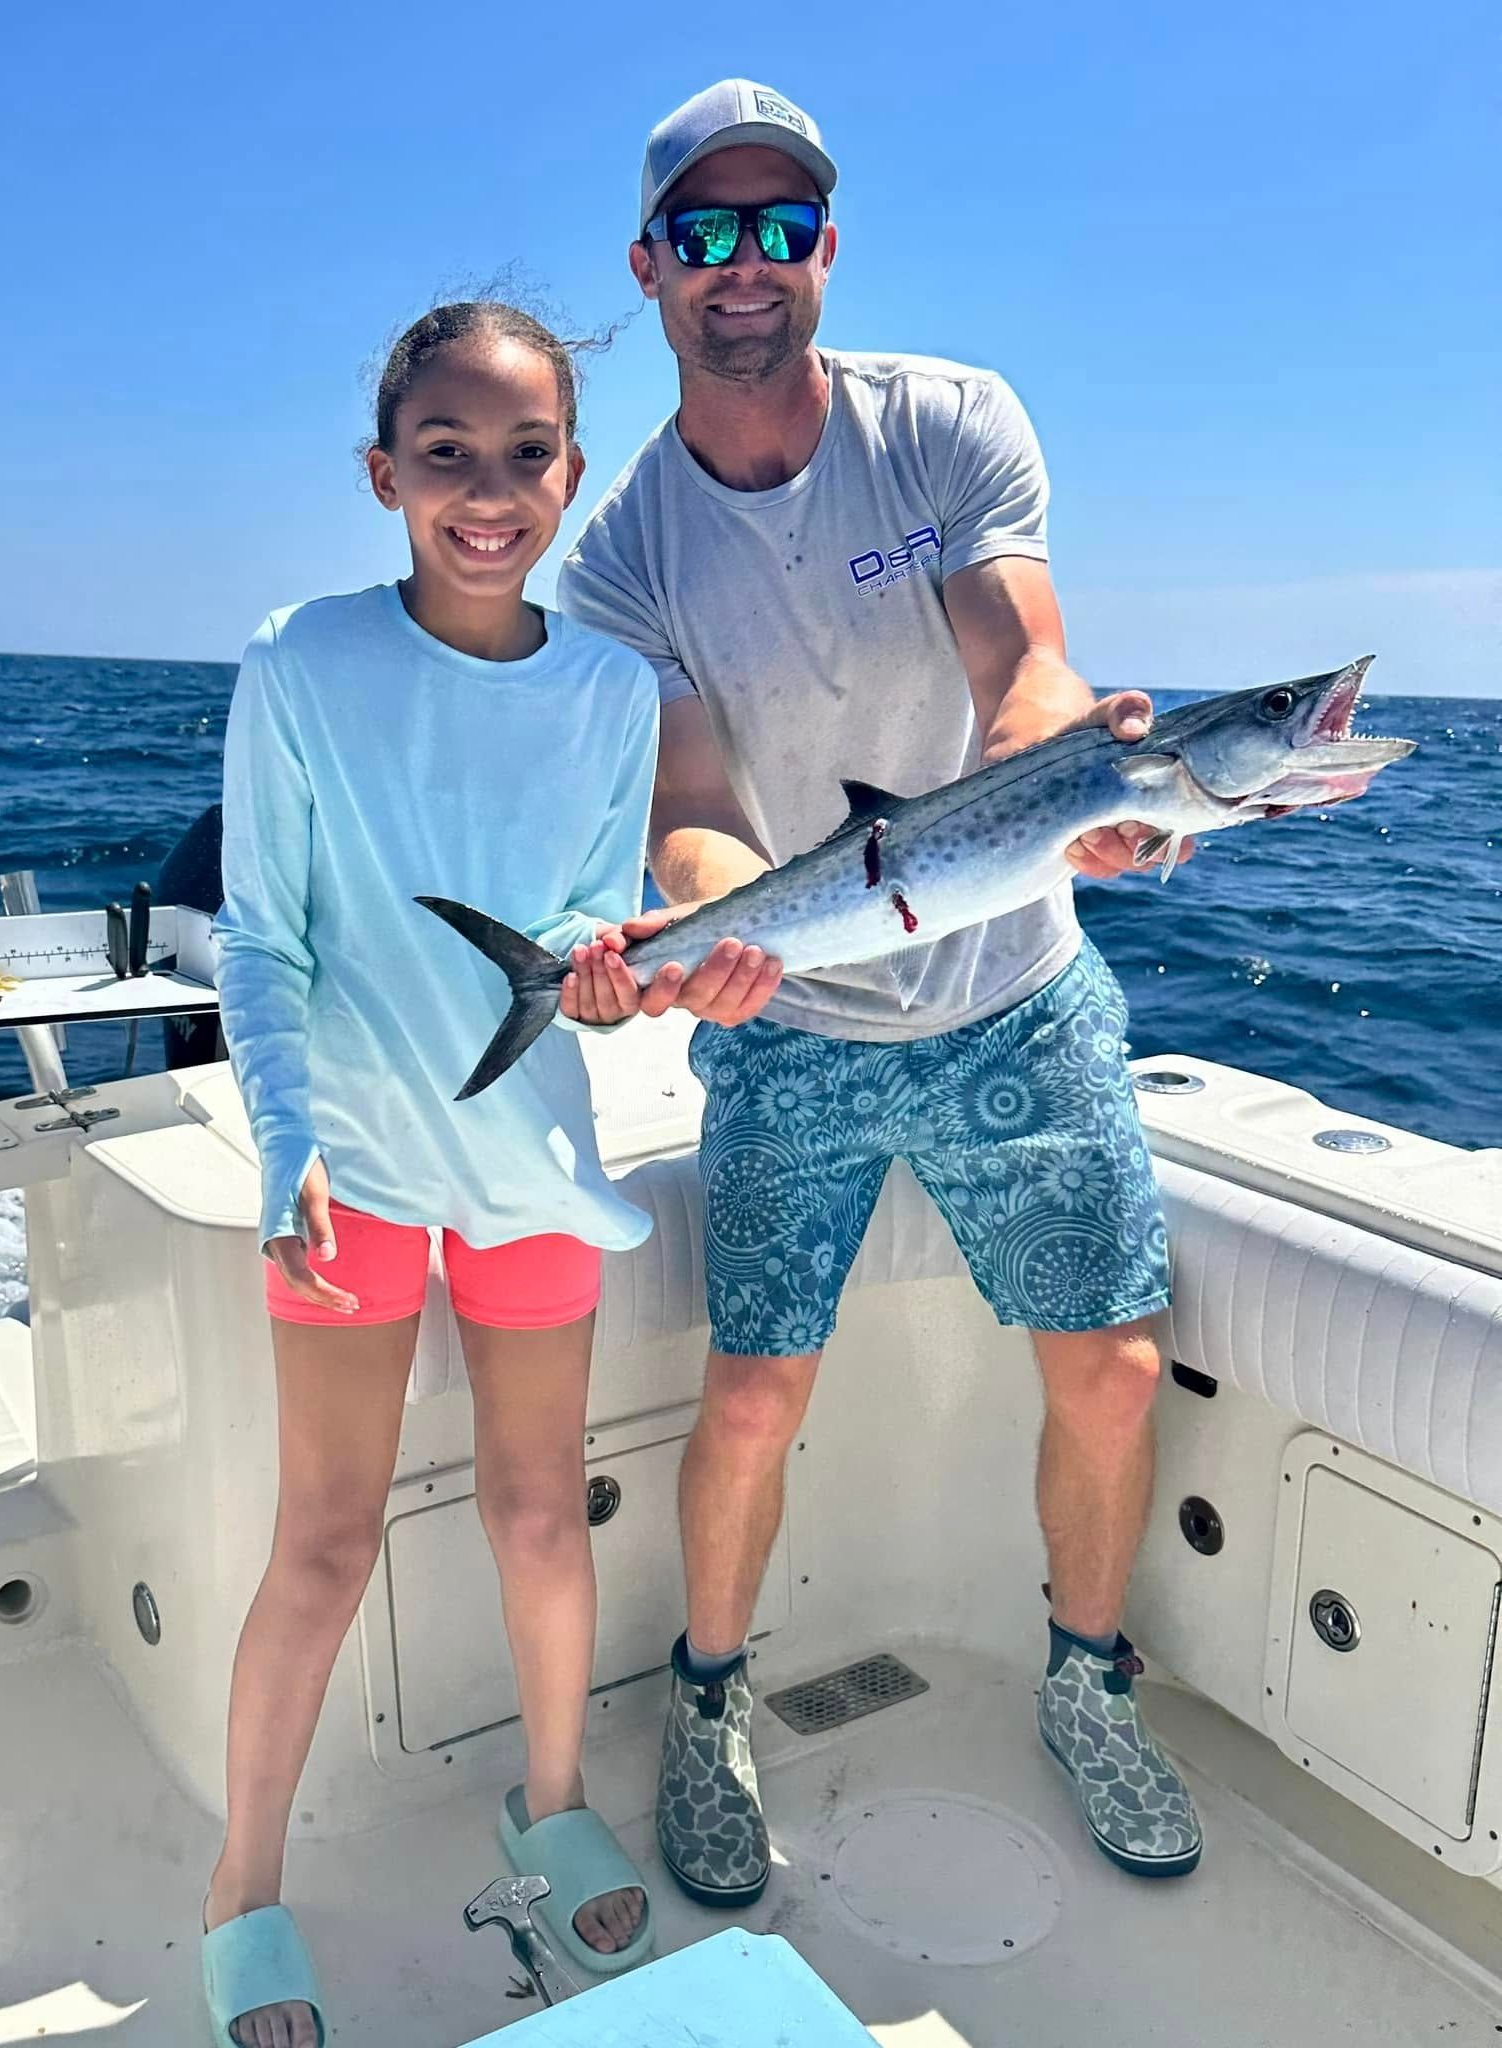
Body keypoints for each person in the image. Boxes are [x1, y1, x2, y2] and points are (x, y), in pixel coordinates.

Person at [557, 79, 1204, 1905]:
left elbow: (1031, 666)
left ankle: (1088, 1686)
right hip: (803, 1017)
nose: (744, 264)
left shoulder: (949, 424)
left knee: (1113, 1368)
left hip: (1019, 993)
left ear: (825, 250)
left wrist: (1073, 788)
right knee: (754, 1401)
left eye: (780, 229)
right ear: (653, 268)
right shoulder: (622, 555)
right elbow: (690, 807)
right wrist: (706, 937)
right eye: (707, 232)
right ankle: (708, 1705)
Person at [202, 298, 660, 2048]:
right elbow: (264, 939)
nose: (488, 489)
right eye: (447, 454)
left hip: (534, 1166)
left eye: (525, 454)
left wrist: (611, 971)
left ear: (573, 475)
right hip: (352, 1179)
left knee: (542, 1512)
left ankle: (547, 1805)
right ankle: (245, 1892)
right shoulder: (300, 662)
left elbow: (585, 924)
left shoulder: (619, 689)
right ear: (383, 472)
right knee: (322, 1544)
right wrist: (290, 1147)